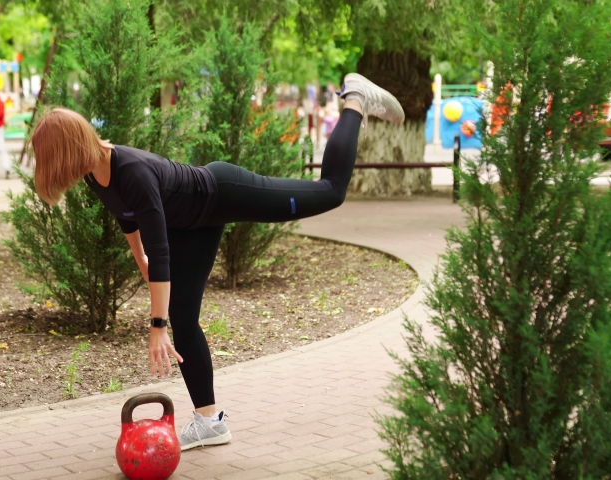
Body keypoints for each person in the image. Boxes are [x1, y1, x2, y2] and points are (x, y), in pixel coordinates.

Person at [30, 73, 404, 451]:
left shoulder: (132, 172)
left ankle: (355, 98)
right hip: (193, 226)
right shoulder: (95, 174)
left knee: (331, 191)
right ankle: (209, 422)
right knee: (184, 318)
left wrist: (156, 326)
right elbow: (126, 216)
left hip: (223, 193)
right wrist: (139, 257)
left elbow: (161, 251)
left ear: (68, 152)